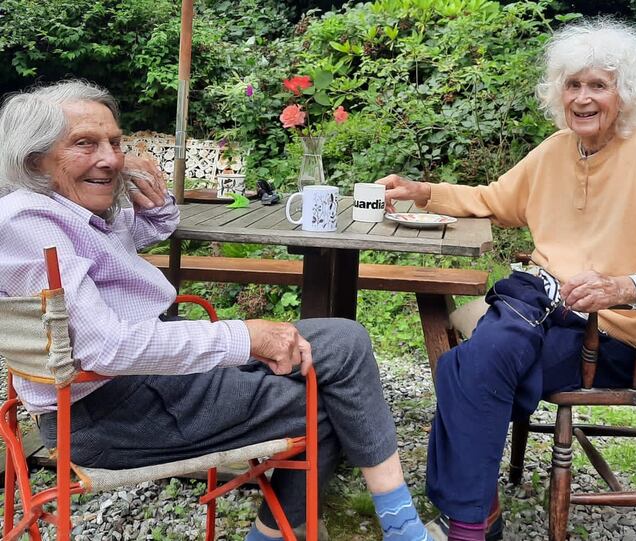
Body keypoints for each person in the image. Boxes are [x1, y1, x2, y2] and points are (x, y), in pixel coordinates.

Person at [0, 80, 432, 541]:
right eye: (85, 143)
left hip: (149, 384)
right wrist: (245, 336)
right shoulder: (29, 222)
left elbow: (145, 231)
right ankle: (389, 528)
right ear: (34, 161)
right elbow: (109, 348)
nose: (110, 158)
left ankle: (358, 525)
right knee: (328, 398)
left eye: (115, 143)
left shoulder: (70, 208)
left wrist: (156, 199)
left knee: (343, 339)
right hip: (111, 413)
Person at [377, 19, 636, 541]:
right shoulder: (557, 149)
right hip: (538, 307)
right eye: (573, 85)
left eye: (597, 85)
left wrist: (625, 286)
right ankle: (474, 518)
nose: (582, 98)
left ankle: (468, 522)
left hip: (612, 335)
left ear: (625, 93)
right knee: (475, 360)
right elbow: (492, 200)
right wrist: (424, 191)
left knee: (466, 367)